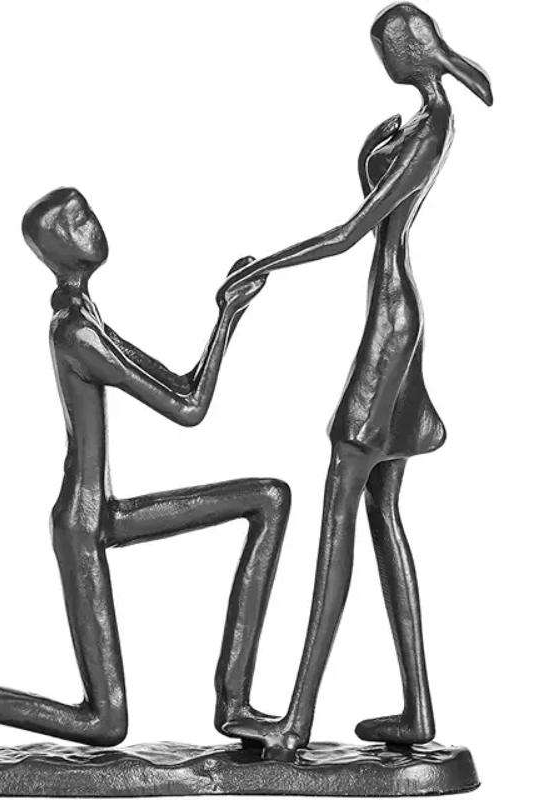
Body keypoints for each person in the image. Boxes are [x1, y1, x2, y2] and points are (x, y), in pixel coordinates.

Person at [0, 186, 290, 751]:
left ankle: (235, 705)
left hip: (102, 511)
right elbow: (189, 409)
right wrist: (229, 317)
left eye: (87, 212)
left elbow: (183, 386)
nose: (90, 224)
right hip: (83, 522)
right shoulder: (75, 331)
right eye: (75, 220)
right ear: (55, 247)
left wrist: (226, 315)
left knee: (268, 498)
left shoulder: (86, 317)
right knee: (104, 724)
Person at [219, 3, 493, 756]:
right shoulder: (423, 121)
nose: (384, 62)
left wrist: (265, 265)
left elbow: (350, 234)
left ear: (410, 51)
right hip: (395, 313)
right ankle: (418, 712)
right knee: (381, 512)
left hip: (391, 325)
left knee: (340, 506)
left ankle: (296, 721)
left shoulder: (432, 127)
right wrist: (370, 164)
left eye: (387, 50)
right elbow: (380, 213)